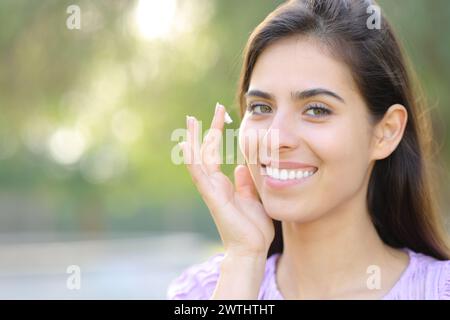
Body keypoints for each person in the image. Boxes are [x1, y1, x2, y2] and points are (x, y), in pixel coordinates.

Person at [168, 0, 450, 299]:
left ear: (385, 132)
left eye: (316, 110)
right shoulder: (203, 293)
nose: (275, 139)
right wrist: (244, 262)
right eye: (261, 107)